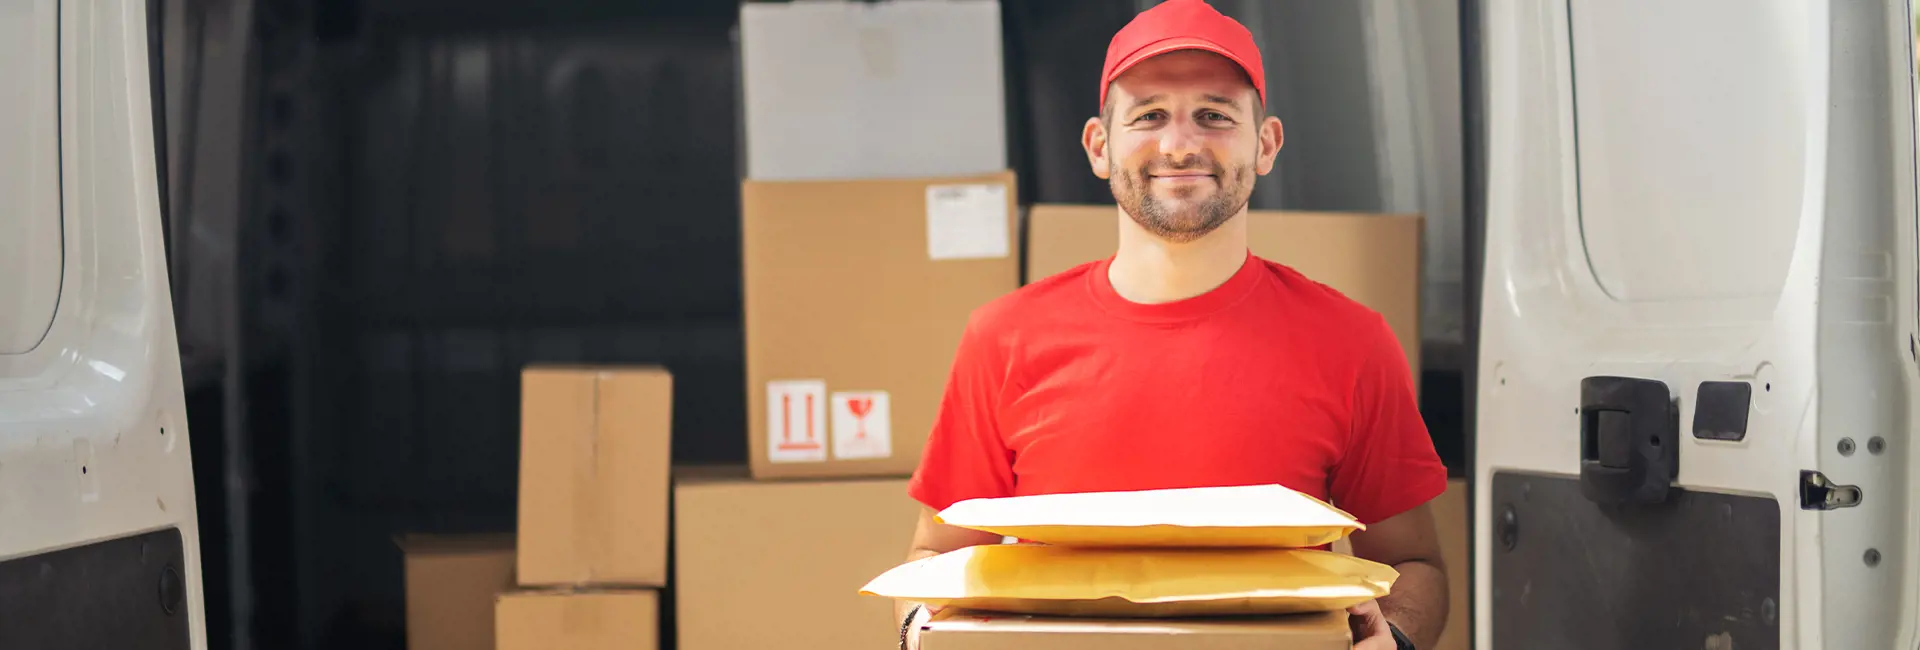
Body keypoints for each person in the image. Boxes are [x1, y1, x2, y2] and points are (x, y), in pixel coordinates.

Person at [891, 1, 1449, 649]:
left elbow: (1417, 566)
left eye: (1213, 116)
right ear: (1100, 147)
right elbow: (935, 558)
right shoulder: (1004, 338)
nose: (1180, 144)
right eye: (1149, 115)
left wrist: (1396, 640)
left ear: (1264, 144)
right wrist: (920, 633)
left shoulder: (1351, 343)